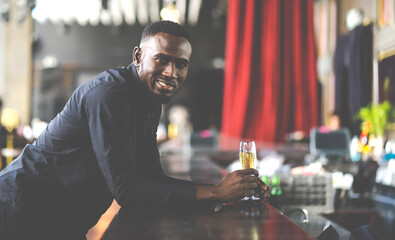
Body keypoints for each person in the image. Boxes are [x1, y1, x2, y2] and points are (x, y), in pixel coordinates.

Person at [0, 21, 268, 240]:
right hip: (22, 208)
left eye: (181, 64)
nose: (171, 72)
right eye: (162, 59)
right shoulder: (109, 94)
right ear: (138, 56)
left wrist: (225, 191)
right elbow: (127, 191)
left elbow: (150, 178)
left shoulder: (149, 100)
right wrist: (216, 192)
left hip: (59, 218)